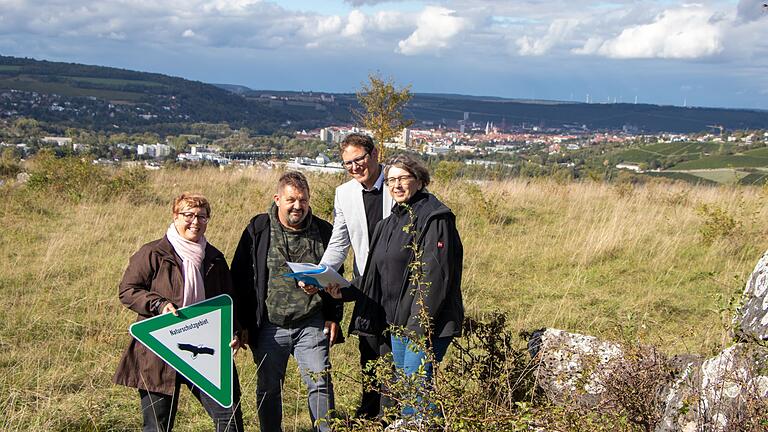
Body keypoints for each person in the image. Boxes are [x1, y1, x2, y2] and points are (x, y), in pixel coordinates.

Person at [327, 154, 464, 420]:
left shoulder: (435, 218)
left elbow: (434, 280)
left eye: (402, 178)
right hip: (397, 324)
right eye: (391, 180)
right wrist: (343, 291)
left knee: (416, 392)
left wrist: (418, 328)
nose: (396, 186)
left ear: (419, 180)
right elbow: (372, 277)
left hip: (425, 325)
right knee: (407, 393)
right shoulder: (387, 224)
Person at [113, 193, 245, 432]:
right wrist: (158, 305)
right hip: (160, 350)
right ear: (175, 217)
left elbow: (229, 301)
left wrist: (235, 330)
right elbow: (128, 290)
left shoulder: (214, 257)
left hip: (207, 349)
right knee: (157, 426)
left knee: (230, 419)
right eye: (189, 215)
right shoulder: (153, 253)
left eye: (202, 217)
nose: (195, 222)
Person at [230, 171, 343, 432]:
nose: (297, 206)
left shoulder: (324, 231)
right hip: (269, 324)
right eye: (291, 200)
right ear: (277, 199)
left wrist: (333, 315)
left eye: (303, 200)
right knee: (269, 387)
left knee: (320, 382)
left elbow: (336, 278)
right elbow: (241, 276)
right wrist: (242, 324)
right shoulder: (258, 229)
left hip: (311, 322)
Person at [319, 133, 394, 419]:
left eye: (358, 159)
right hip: (365, 284)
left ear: (374, 154)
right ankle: (371, 413)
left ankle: (393, 414)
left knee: (393, 352)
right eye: (347, 163)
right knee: (369, 351)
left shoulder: (395, 182)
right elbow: (339, 242)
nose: (354, 167)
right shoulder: (344, 193)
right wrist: (323, 274)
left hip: (398, 285)